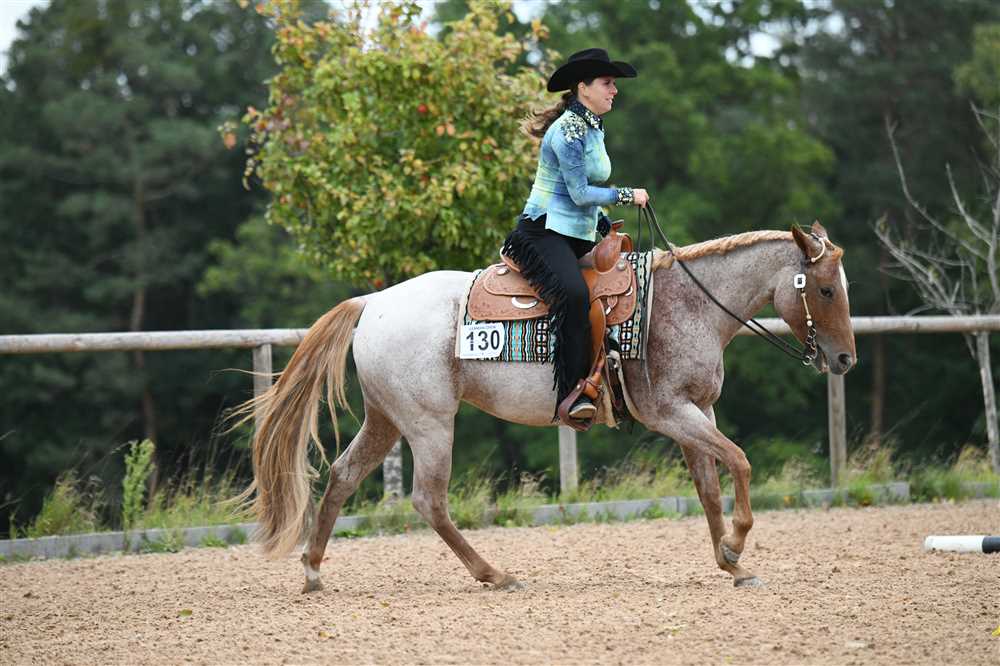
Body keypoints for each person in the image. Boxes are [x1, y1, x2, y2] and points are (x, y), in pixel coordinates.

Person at [502, 48, 649, 421]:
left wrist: (604, 225)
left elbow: (578, 198)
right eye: (607, 83)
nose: (614, 90)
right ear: (583, 87)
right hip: (543, 232)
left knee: (623, 282)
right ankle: (571, 394)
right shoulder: (568, 130)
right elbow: (580, 193)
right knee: (574, 294)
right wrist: (627, 196)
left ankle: (612, 378)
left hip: (574, 233)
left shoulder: (592, 127)